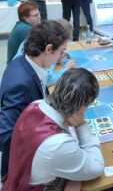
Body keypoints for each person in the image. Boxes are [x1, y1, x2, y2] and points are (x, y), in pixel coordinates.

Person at [2, 68, 104, 190]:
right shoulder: (59, 144)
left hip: (15, 181)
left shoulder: (35, 104)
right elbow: (96, 167)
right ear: (81, 107)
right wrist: (81, 125)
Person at [0, 20, 70, 180]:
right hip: (24, 168)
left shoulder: (25, 62)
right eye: (61, 52)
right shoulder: (21, 83)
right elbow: (4, 134)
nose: (62, 57)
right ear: (49, 49)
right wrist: (43, 142)